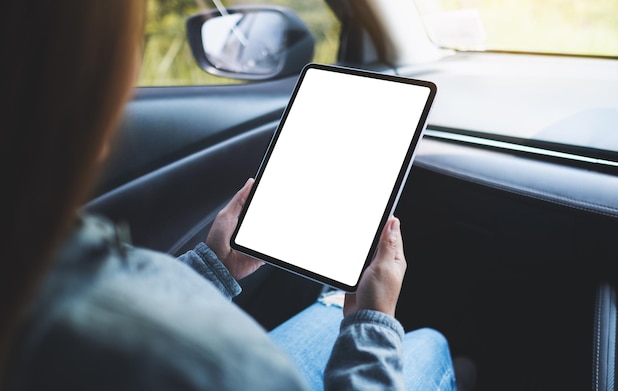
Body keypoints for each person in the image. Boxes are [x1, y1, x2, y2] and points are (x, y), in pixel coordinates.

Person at [0, 1, 461, 390]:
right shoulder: (217, 363)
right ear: (92, 86)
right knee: (428, 344)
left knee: (325, 305)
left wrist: (213, 267)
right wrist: (371, 326)